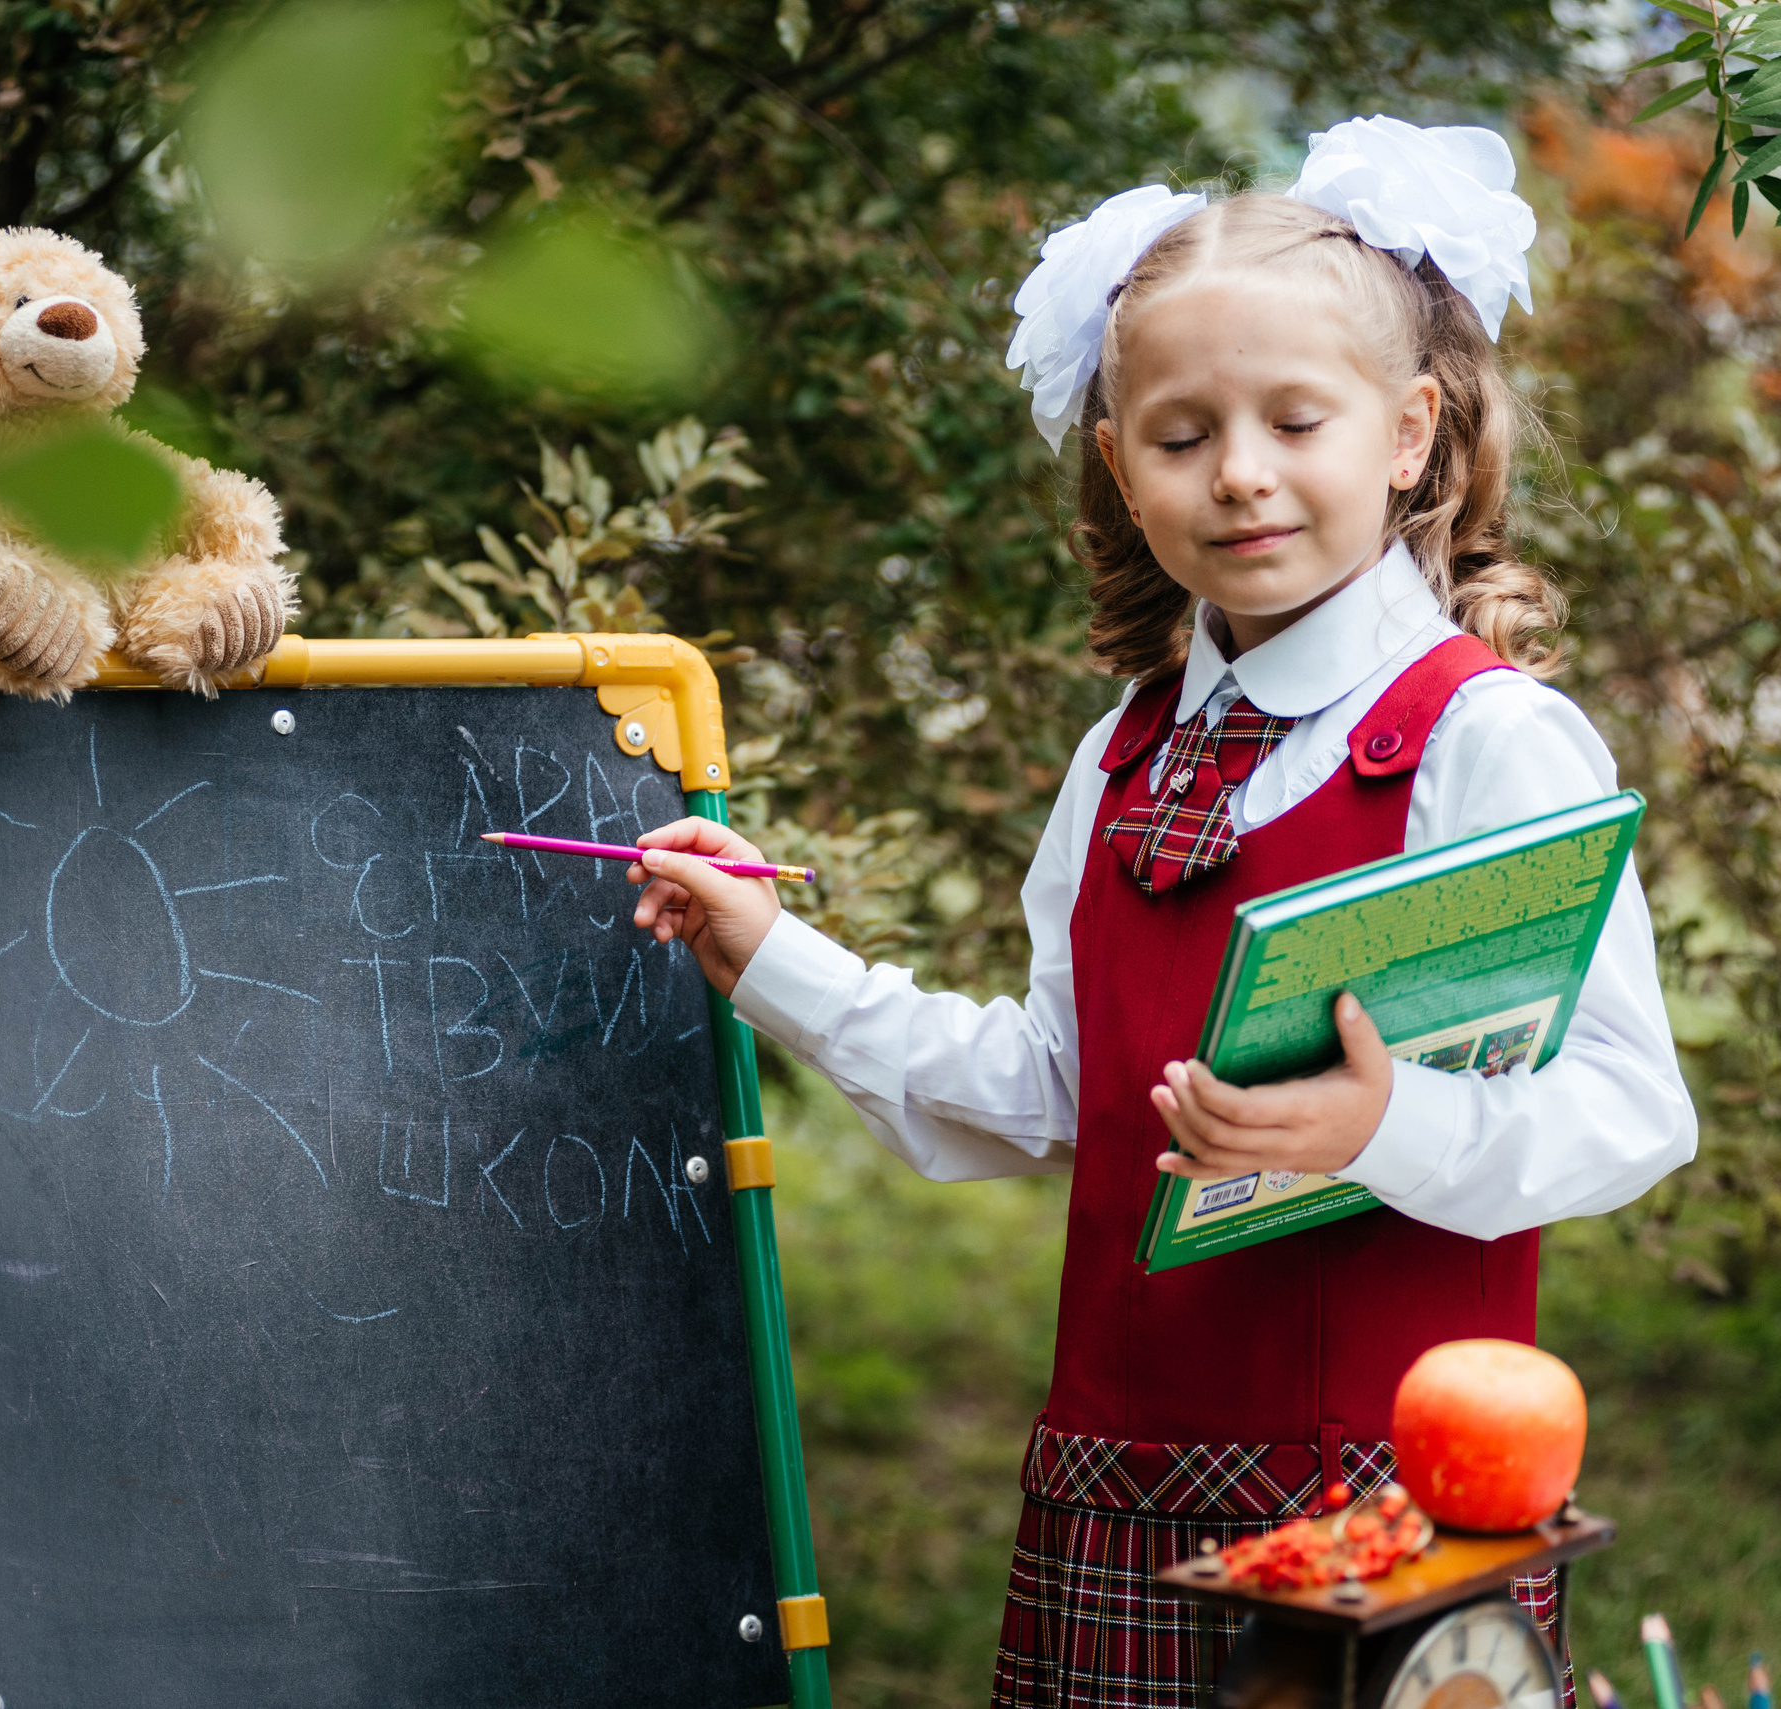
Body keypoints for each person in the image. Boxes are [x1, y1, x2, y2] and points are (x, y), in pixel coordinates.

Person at [626, 117, 1697, 1708]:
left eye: (1296, 419)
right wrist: (770, 960)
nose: (1244, 471)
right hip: (1116, 1495)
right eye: (1184, 434)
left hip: (1390, 1511)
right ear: (1121, 465)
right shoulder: (1122, 755)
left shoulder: (1486, 742)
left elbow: (1631, 1109)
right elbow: (1054, 1094)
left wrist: (1381, 1121)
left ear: (1408, 432)